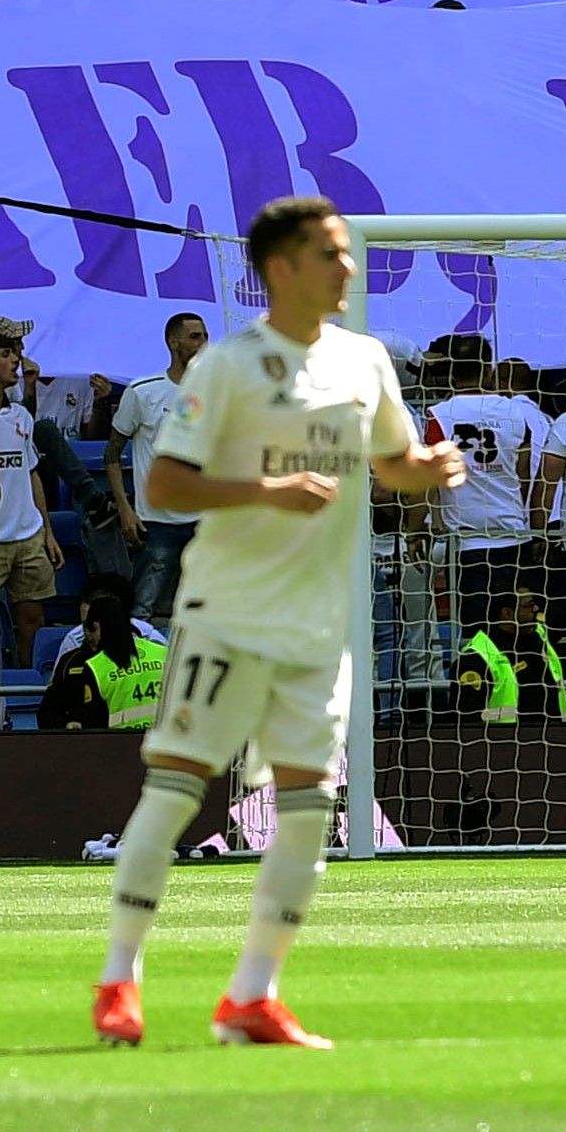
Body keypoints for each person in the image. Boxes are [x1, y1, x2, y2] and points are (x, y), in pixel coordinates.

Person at [93, 193, 464, 1051]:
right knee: (177, 786)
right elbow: (166, 487)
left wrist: (428, 469)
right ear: (281, 268)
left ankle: (252, 993)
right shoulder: (224, 369)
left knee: (309, 804)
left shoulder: (366, 361)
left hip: (315, 624)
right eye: (331, 252)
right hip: (225, 612)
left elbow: (393, 461)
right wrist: (267, 489)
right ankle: (120, 978)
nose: (348, 266)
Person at [36, 571, 165, 731]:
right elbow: (47, 713)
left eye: (95, 626)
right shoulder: (70, 662)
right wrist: (66, 724)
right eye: (85, 625)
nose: (88, 633)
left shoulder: (154, 649)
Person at [457, 575, 566, 723]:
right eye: (528, 606)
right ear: (506, 613)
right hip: (504, 742)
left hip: (555, 736)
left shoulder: (539, 636)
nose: (536, 609)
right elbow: (467, 723)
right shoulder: (477, 657)